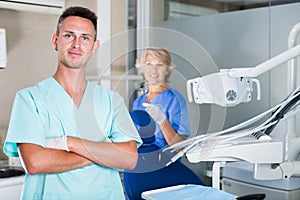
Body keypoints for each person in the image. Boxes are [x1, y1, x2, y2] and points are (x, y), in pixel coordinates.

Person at [3, 6, 142, 200]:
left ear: (94, 46)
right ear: (55, 41)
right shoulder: (30, 99)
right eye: (69, 35)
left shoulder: (111, 101)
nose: (77, 44)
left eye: (85, 37)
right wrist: (104, 153)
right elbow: (35, 162)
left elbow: (129, 158)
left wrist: (67, 143)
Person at [133, 47, 190, 149]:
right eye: (149, 64)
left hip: (164, 160)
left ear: (167, 70)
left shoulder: (174, 100)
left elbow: (180, 147)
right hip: (140, 157)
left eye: (160, 65)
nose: (153, 70)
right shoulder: (138, 102)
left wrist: (162, 121)